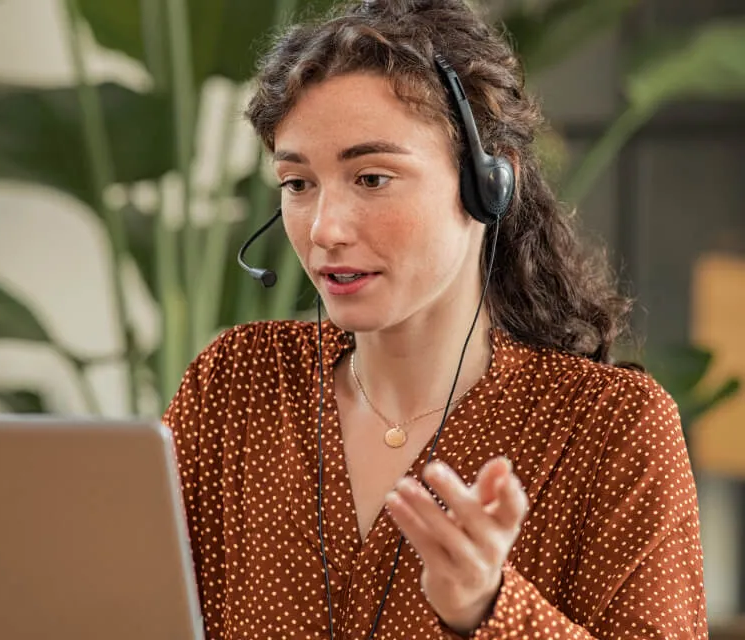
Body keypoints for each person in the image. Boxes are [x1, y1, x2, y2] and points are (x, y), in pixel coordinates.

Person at [162, 0, 708, 637]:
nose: (323, 229)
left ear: (490, 182)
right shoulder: (237, 383)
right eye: (297, 183)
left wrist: (488, 607)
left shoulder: (610, 428)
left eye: (371, 178)